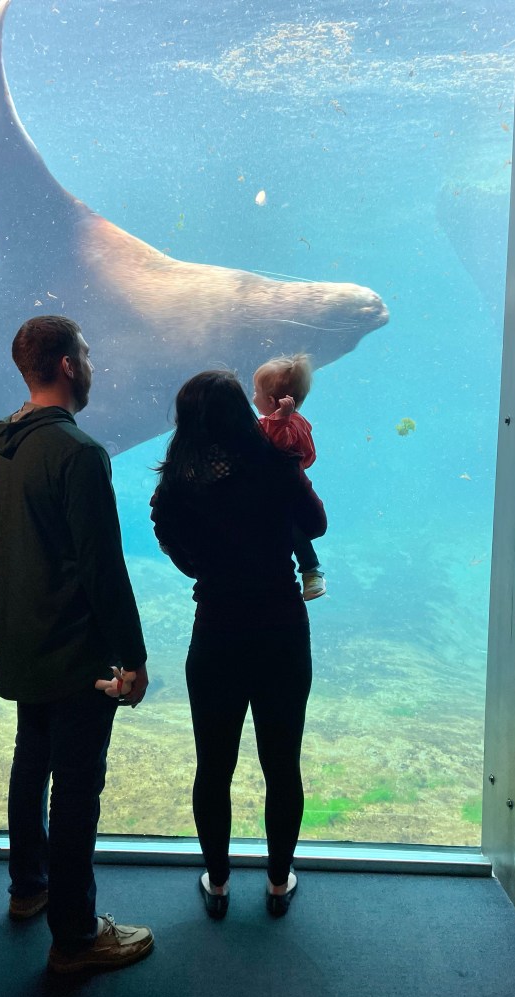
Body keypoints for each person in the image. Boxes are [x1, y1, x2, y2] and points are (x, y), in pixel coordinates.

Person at [0, 314, 154, 974]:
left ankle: (28, 888)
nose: (90, 364)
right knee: (78, 788)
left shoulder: (5, 443)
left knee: (32, 764)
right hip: (74, 651)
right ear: (65, 365)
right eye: (85, 353)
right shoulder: (78, 453)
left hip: (24, 642)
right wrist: (133, 657)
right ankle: (76, 937)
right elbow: (101, 567)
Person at [150, 370, 327, 919]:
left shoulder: (181, 480)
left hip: (217, 629)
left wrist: (203, 569)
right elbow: (316, 524)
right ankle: (277, 883)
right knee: (283, 763)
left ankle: (220, 883)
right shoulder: (276, 465)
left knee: (213, 765)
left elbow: (165, 531)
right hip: (281, 627)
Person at [253, 353, 327, 601]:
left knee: (294, 530)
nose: (253, 397)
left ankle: (311, 570)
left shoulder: (291, 424)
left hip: (289, 497)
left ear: (271, 401)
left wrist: (280, 421)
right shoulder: (275, 421)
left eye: (256, 392)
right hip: (274, 495)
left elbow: (282, 446)